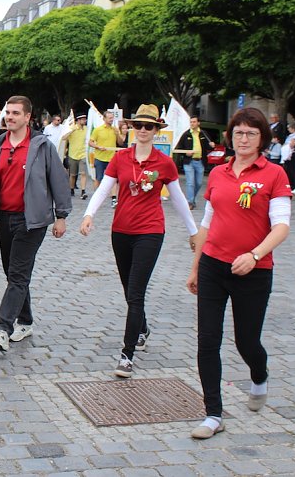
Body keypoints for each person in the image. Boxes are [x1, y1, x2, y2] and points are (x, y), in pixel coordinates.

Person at [185, 107, 291, 440]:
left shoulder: (274, 175)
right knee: (207, 341)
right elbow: (206, 223)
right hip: (214, 266)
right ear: (230, 136)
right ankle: (213, 414)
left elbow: (282, 226)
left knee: (247, 341)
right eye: (238, 132)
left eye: (251, 133)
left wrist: (255, 253)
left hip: (254, 271)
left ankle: (259, 375)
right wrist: (195, 266)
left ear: (263, 139)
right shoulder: (218, 173)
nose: (243, 139)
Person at [80, 104, 198, 377]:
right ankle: (142, 327)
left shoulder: (164, 163)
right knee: (128, 288)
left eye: (149, 126)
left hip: (150, 231)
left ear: (156, 130)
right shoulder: (121, 159)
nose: (143, 131)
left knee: (136, 292)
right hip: (121, 231)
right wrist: (88, 215)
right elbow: (103, 189)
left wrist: (193, 232)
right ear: (131, 128)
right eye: (138, 126)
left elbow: (179, 199)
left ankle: (126, 354)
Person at [0, 95, 72, 352]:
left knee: (17, 274)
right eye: (8, 112)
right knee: (14, 273)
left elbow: (58, 181)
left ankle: (3, 328)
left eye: (16, 113)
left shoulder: (42, 146)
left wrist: (61, 216)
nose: (10, 117)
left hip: (32, 221)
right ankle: (25, 320)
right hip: (5, 217)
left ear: (28, 117)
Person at [175, 116, 215, 210]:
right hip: (189, 162)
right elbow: (179, 147)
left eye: (194, 122)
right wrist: (186, 152)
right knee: (190, 183)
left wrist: (212, 146)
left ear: (198, 123)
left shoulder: (203, 134)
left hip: (200, 161)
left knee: (199, 183)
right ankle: (190, 202)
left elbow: (208, 147)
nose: (192, 124)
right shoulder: (186, 134)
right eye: (191, 122)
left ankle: (191, 199)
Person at [89, 110, 122, 207]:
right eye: (110, 118)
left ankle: (114, 199)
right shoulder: (98, 130)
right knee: (98, 178)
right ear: (104, 119)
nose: (111, 120)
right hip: (99, 157)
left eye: (112, 118)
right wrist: (98, 147)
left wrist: (117, 134)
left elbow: (120, 143)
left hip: (111, 158)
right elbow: (90, 142)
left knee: (114, 179)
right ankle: (96, 197)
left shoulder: (114, 129)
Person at [66, 114, 89, 199]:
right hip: (73, 154)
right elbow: (64, 138)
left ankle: (83, 191)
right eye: (83, 119)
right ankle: (71, 189)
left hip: (83, 154)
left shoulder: (86, 129)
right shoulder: (72, 128)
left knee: (83, 173)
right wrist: (72, 130)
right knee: (73, 175)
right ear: (78, 120)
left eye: (85, 119)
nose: (84, 121)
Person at [281, 121, 295, 188]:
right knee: (287, 170)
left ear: (293, 128)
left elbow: (292, 143)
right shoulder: (289, 135)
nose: (288, 129)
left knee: (292, 170)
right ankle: (289, 183)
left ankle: (294, 184)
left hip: (291, 154)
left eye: (289, 128)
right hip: (286, 155)